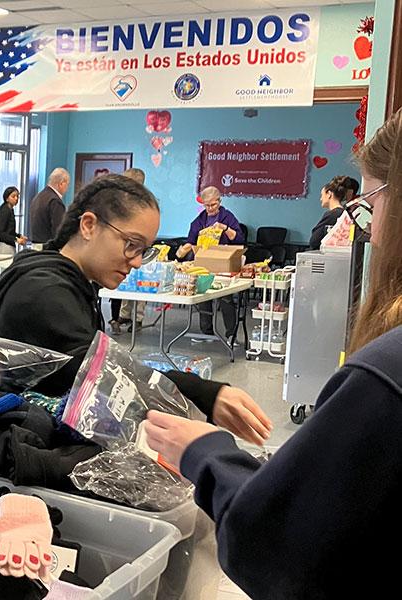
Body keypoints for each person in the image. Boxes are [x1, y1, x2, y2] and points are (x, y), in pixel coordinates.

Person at [144, 110, 402, 599]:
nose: (374, 228)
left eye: (373, 204)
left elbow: (277, 543)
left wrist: (206, 452)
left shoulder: (384, 374)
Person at [0, 175, 273, 446]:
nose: (136, 262)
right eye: (131, 244)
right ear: (89, 225)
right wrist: (206, 395)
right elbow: (102, 374)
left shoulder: (70, 282)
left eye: (143, 250)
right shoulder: (44, 291)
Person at [176, 186, 245, 338]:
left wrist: (224, 228)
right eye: (207, 205)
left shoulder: (228, 217)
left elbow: (239, 239)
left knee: (226, 298)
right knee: (203, 294)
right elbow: (191, 241)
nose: (210, 208)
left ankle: (230, 334)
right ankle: (206, 331)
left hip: (223, 263)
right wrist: (184, 249)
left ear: (219, 202)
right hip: (204, 262)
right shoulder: (199, 220)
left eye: (213, 204)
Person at [110, 167, 147, 334]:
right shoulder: (117, 200)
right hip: (121, 246)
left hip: (135, 246)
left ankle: (137, 318)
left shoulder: (144, 203)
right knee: (122, 283)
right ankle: (121, 316)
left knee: (139, 282)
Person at [309, 175, 356, 249]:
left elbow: (314, 241)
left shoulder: (332, 215)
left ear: (329, 194)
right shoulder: (345, 214)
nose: (321, 199)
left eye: (322, 195)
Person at [28, 167, 70, 247]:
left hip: (35, 246)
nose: (67, 188)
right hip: (49, 249)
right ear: (61, 183)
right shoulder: (55, 201)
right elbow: (58, 231)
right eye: (67, 184)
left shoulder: (38, 197)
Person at [0, 186, 27, 255]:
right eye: (13, 196)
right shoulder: (5, 210)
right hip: (5, 246)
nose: (16, 198)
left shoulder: (10, 209)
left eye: (17, 196)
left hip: (10, 245)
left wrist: (19, 236)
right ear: (7, 198)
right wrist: (16, 239)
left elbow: (9, 231)